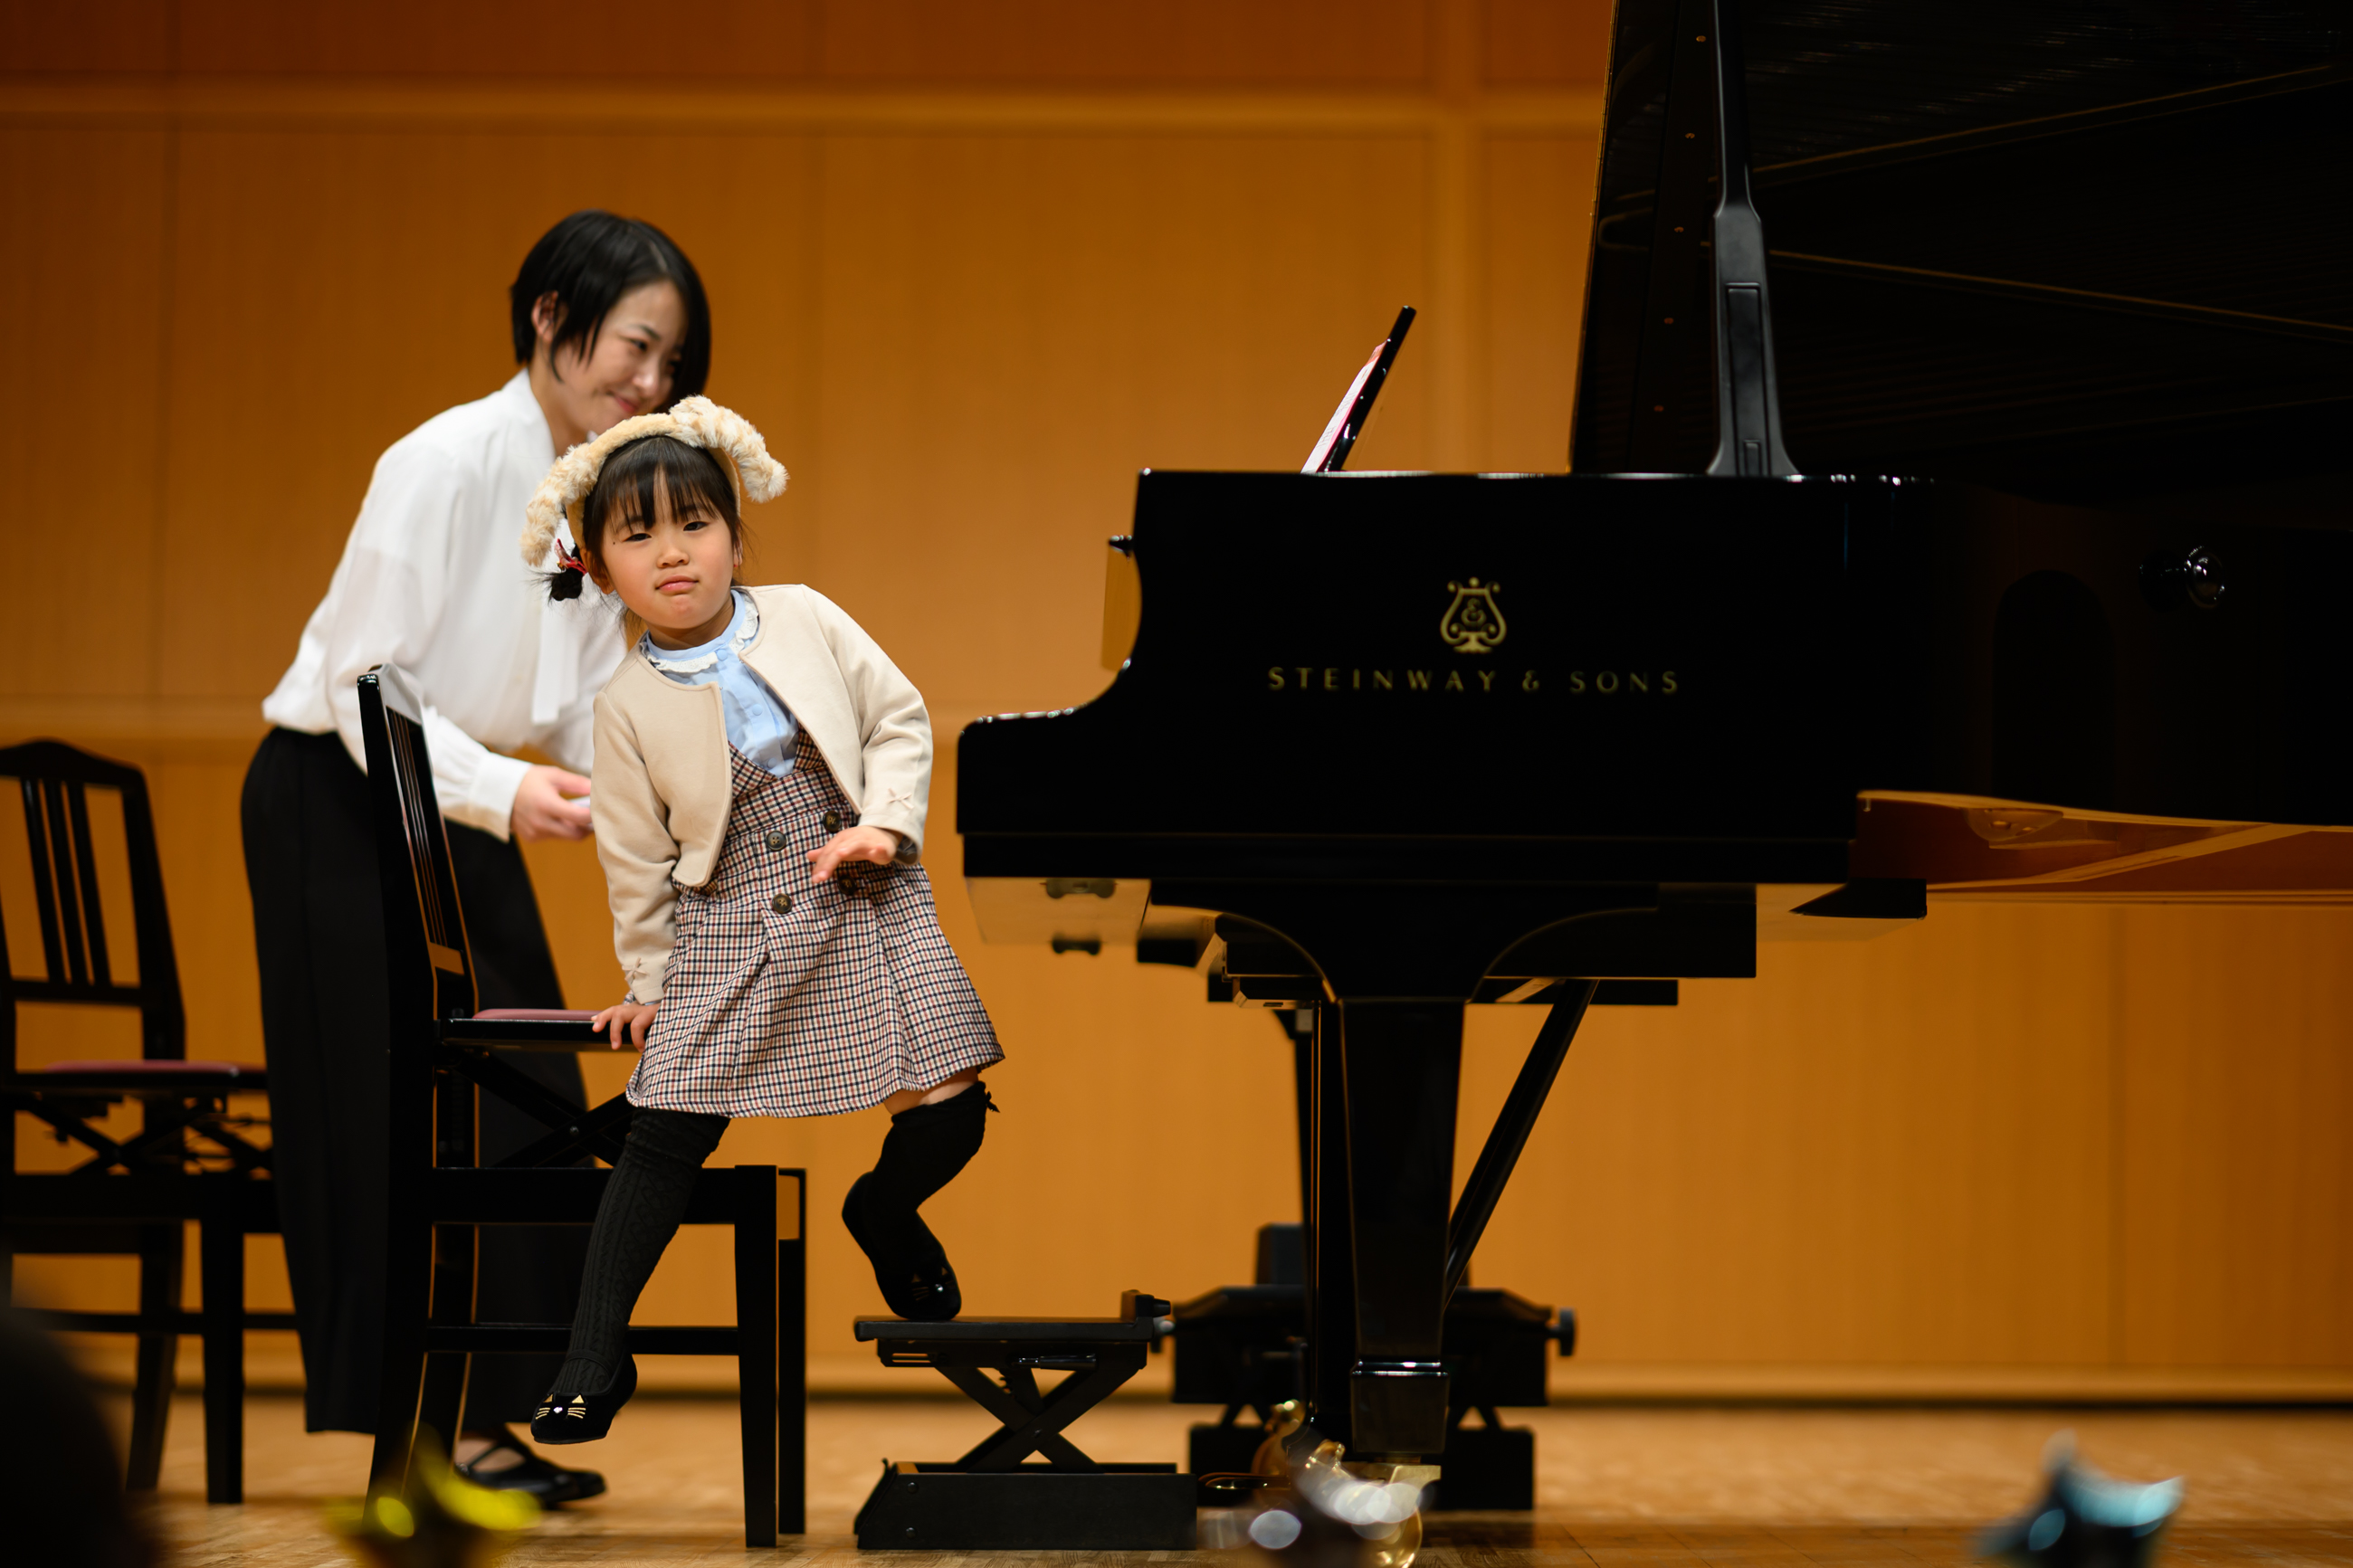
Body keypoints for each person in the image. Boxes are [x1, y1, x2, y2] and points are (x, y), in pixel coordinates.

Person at [241, 211, 713, 1501]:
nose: (651, 384)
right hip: (337, 797)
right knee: (390, 1101)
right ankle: (418, 1425)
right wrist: (511, 790)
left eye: (671, 363)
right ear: (552, 318)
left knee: (525, 1095)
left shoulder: (582, 492)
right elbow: (359, 682)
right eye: (636, 346)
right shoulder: (444, 459)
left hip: (458, 801)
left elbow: (567, 697)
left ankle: (499, 1407)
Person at [509, 398, 1002, 1443]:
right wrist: (650, 988)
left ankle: (882, 1210)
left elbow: (898, 718)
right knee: (661, 1135)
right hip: (730, 917)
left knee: (952, 1100)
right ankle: (593, 1353)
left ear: (735, 534)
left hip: (859, 890)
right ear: (596, 566)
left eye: (693, 523)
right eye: (636, 534)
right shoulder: (625, 702)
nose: (672, 551)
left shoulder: (809, 614)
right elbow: (635, 862)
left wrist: (884, 824)